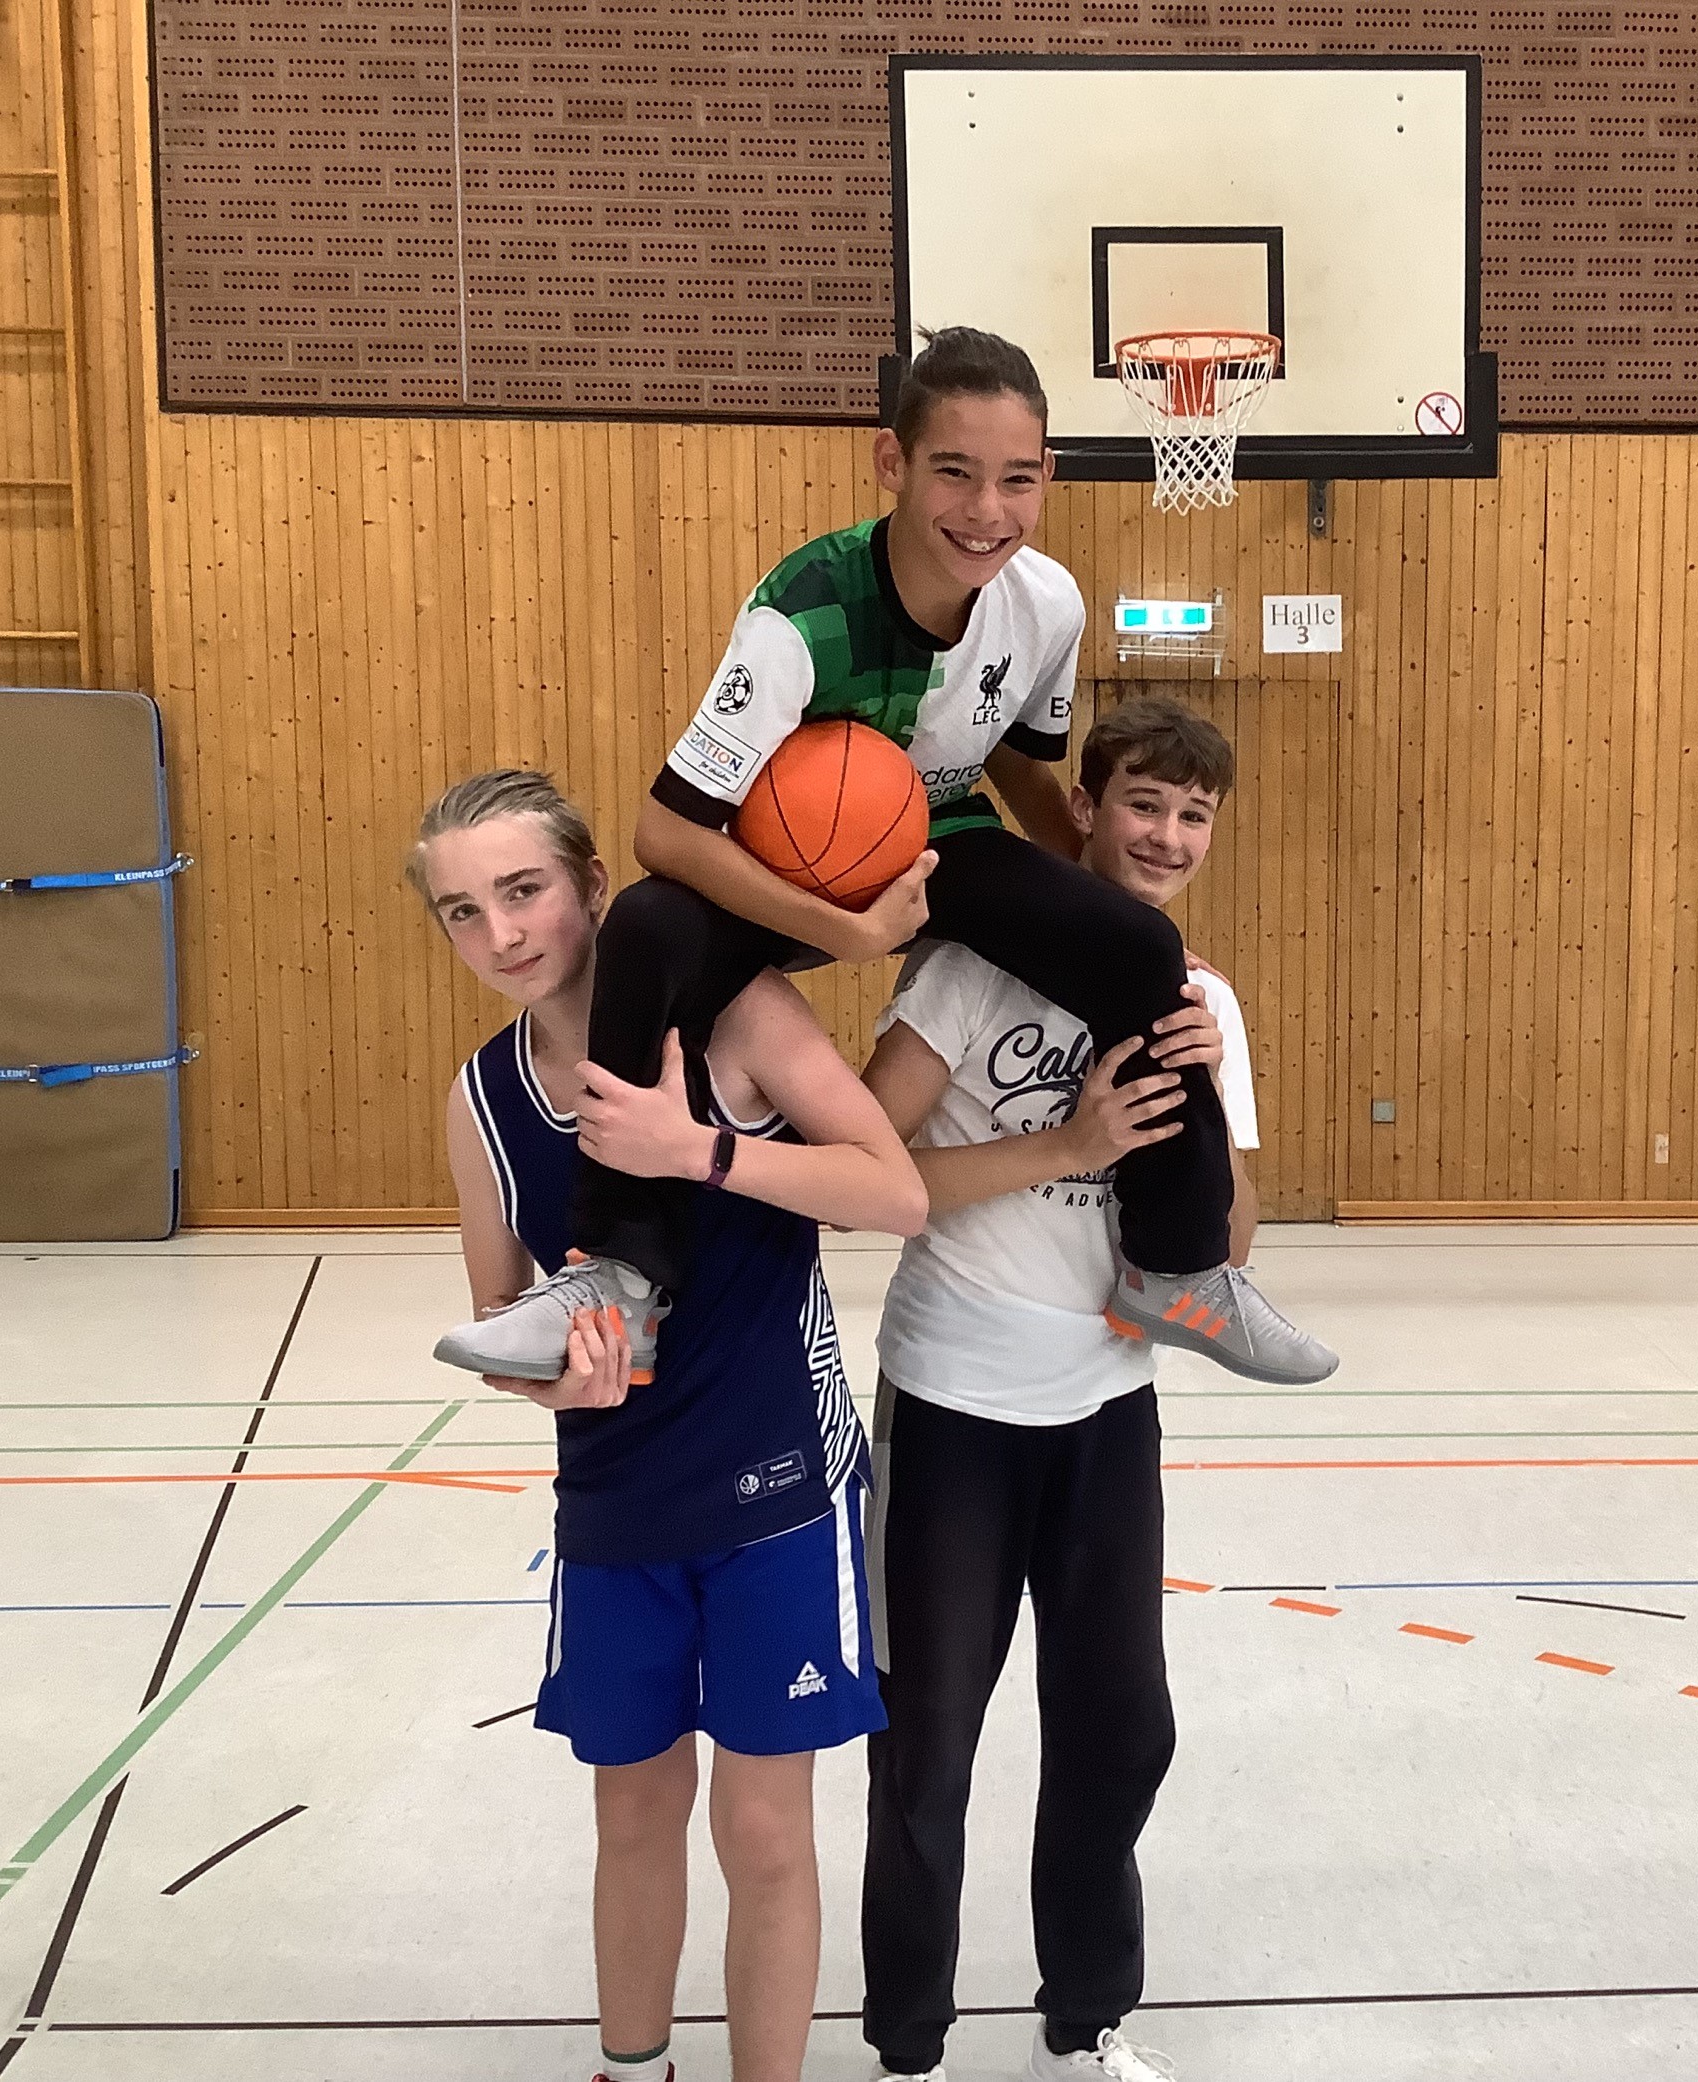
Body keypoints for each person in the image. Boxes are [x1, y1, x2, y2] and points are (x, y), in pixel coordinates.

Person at [431, 326, 1333, 1392]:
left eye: (1016, 479)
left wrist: (1113, 931)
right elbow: (664, 832)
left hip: (935, 841)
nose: (986, 509)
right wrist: (847, 933)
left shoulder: (1047, 603)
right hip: (786, 865)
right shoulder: (801, 615)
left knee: (1142, 949)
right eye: (954, 472)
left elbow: (1023, 766)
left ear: (1047, 477)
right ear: (891, 462)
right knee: (646, 927)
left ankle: (1175, 1268)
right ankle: (619, 1276)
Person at [412, 767, 927, 2082]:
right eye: (464, 911)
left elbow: (895, 1192)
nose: (502, 934)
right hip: (616, 1500)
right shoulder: (482, 1101)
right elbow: (501, 1312)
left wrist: (698, 1150)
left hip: (780, 1490)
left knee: (764, 1832)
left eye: (524, 891)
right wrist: (547, 1380)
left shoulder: (734, 1016)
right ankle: (631, 2069)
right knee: (633, 1813)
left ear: (593, 885)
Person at [856, 699, 1260, 2082]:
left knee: (1119, 1731)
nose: (1167, 836)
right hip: (954, 1407)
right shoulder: (973, 966)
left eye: (1194, 816)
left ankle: (1085, 2022)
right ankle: (910, 2044)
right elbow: (863, 1177)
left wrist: (1205, 1099)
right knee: (927, 1748)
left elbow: (1228, 1249)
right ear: (1082, 808)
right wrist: (1064, 1144)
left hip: (1107, 1413)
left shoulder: (1200, 1000)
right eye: (1143, 802)